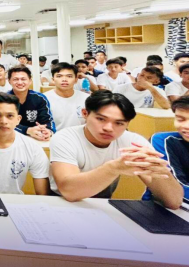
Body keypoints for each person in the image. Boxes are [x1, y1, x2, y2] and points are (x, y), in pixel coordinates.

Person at [50, 91, 183, 208]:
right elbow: (69, 192)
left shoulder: (134, 142)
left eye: (119, 123)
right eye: (101, 119)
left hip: (101, 205)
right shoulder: (65, 138)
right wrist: (113, 168)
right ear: (85, 113)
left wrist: (161, 173)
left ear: (127, 123)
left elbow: (174, 202)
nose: (108, 128)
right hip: (60, 203)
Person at [142, 96, 189, 202]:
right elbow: (176, 188)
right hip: (163, 207)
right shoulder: (163, 140)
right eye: (180, 119)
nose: (186, 126)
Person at [8, 66, 55, 141]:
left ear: (30, 81)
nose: (20, 82)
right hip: (10, 138)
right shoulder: (4, 100)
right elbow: (4, 123)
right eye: (15, 79)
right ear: (9, 81)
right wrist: (27, 130)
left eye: (23, 79)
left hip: (36, 138)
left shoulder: (39, 98)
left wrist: (48, 131)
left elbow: (47, 120)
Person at [45, 62, 89, 130]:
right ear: (53, 80)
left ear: (76, 79)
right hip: (54, 135)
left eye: (69, 76)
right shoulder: (44, 99)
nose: (64, 80)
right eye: (59, 76)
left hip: (79, 135)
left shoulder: (86, 98)